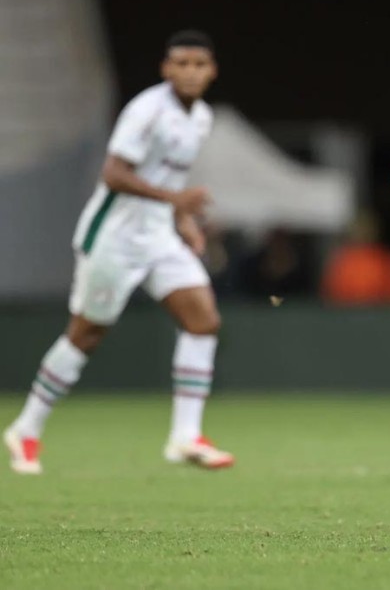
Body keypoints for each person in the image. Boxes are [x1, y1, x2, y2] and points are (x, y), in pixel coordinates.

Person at [4, 30, 234, 474]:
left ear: (212, 71)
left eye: (199, 64)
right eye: (181, 63)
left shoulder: (201, 118)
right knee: (86, 334)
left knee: (203, 321)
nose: (190, 72)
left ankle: (185, 436)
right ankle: (26, 428)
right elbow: (113, 174)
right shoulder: (147, 110)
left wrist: (181, 219)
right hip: (114, 237)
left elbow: (167, 179)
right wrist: (176, 202)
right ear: (166, 69)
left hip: (158, 236)